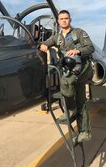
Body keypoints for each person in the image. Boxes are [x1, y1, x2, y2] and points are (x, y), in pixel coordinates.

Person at [39, 10, 95, 143]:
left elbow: (90, 48)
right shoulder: (57, 37)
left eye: (66, 18)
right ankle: (85, 132)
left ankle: (70, 111)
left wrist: (78, 51)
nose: (64, 20)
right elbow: (45, 43)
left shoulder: (79, 33)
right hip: (70, 69)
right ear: (58, 21)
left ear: (70, 20)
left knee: (64, 81)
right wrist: (43, 45)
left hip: (83, 67)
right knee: (81, 101)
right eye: (61, 19)